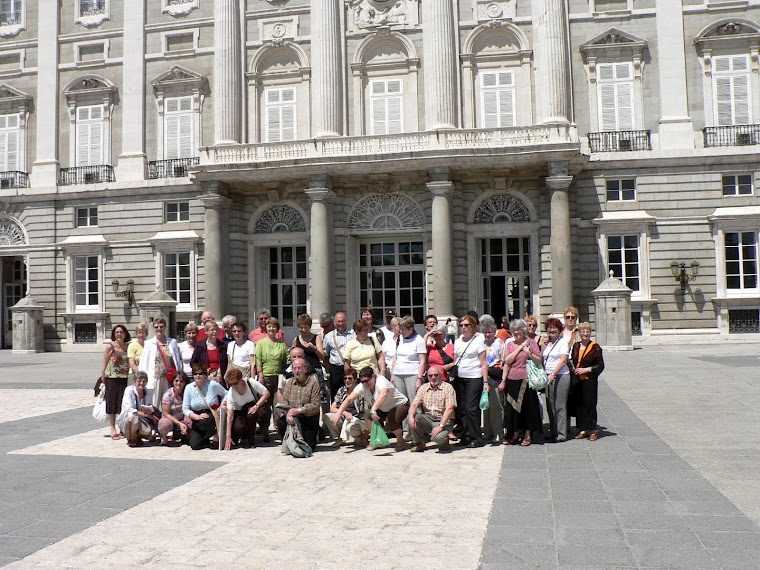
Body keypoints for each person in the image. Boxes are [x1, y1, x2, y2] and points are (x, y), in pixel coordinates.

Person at [334, 367, 409, 451]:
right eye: (362, 381)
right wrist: (339, 412)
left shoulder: (381, 381)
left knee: (390, 421)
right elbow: (349, 399)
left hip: (399, 405)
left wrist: (374, 409)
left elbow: (383, 394)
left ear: (373, 376)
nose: (365, 384)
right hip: (383, 408)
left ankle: (400, 439)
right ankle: (376, 440)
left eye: (366, 380)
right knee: (368, 414)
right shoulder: (362, 386)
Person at [445, 314, 489, 448]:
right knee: (462, 409)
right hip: (460, 377)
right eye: (461, 325)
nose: (463, 328)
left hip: (474, 377)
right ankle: (466, 436)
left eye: (467, 325)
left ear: (473, 327)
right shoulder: (458, 341)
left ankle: (477, 438)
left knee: (471, 408)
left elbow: (483, 363)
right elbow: (456, 359)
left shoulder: (479, 340)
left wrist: (485, 382)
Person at [499, 319, 543, 447]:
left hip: (527, 380)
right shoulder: (510, 345)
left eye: (519, 329)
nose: (516, 332)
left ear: (523, 331)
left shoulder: (532, 342)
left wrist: (529, 352)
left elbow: (539, 360)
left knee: (527, 408)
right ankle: (515, 433)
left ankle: (528, 435)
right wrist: (519, 349)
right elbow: (507, 361)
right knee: (513, 409)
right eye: (514, 330)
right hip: (512, 380)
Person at [254, 316, 291, 439]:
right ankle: (264, 430)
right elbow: (258, 359)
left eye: (273, 326)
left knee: (278, 404)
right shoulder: (261, 343)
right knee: (264, 405)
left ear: (277, 329)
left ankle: (279, 429)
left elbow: (287, 360)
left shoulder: (281, 344)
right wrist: (260, 374)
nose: (271, 328)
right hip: (265, 377)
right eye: (269, 326)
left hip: (279, 377)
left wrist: (286, 374)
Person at [390, 315, 427, 434]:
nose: (401, 331)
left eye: (403, 329)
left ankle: (418, 430)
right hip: (399, 373)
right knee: (402, 403)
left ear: (410, 328)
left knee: (414, 402)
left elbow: (422, 361)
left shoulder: (419, 340)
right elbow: (396, 357)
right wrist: (392, 375)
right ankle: (406, 431)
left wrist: (419, 378)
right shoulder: (399, 339)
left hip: (412, 373)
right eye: (400, 329)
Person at [277, 357, 321, 452]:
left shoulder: (313, 383)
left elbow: (316, 404)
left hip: (308, 416)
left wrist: (299, 410)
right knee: (280, 422)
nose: (297, 371)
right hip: (293, 416)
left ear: (306, 369)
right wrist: (287, 414)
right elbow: (285, 401)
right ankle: (290, 442)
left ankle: (318, 433)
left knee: (309, 447)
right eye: (295, 368)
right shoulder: (289, 383)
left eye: (299, 368)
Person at [408, 366, 457, 452]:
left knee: (438, 438)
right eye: (430, 375)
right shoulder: (423, 388)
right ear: (427, 377)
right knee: (415, 418)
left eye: (436, 375)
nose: (433, 377)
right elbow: (414, 404)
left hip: (443, 420)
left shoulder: (448, 387)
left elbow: (450, 408)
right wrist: (411, 417)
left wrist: (441, 426)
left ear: (440, 376)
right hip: (429, 419)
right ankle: (420, 444)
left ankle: (444, 444)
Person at [570, 322, 605, 441]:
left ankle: (593, 430)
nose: (585, 334)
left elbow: (600, 365)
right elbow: (572, 360)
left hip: (589, 380)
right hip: (577, 380)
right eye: (583, 331)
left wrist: (586, 369)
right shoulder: (576, 346)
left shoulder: (595, 347)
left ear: (590, 333)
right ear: (579, 333)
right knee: (580, 404)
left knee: (590, 404)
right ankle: (583, 429)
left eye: (587, 331)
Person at [139, 318, 182, 409]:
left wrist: (179, 375)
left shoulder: (172, 342)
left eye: (161, 326)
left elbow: (177, 360)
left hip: (169, 378)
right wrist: (142, 378)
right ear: (154, 328)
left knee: (169, 403)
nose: (159, 329)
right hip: (155, 378)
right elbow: (144, 362)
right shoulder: (149, 343)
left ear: (165, 327)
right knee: (154, 404)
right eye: (156, 327)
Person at [222, 367, 270, 450]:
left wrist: (256, 406)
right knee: (238, 427)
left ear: (241, 379)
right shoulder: (231, 392)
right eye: (231, 384)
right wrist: (228, 436)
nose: (234, 386)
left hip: (254, 407)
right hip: (240, 411)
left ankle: (254, 437)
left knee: (253, 414)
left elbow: (266, 393)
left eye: (236, 383)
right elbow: (230, 416)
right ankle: (244, 434)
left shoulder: (250, 382)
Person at [97, 324, 131, 440]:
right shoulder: (110, 347)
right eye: (117, 332)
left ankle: (122, 427)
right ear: (114, 334)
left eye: (121, 332)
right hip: (111, 378)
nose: (119, 334)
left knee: (123, 403)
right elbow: (104, 363)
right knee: (112, 403)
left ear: (125, 333)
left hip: (124, 378)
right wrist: (103, 378)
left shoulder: (128, 346)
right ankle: (113, 428)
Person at [182, 364, 227, 450]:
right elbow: (185, 408)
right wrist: (197, 417)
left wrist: (223, 403)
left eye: (200, 373)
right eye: (195, 374)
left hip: (211, 413)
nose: (198, 376)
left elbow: (226, 393)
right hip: (196, 416)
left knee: (205, 421)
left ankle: (215, 435)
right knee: (195, 445)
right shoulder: (188, 388)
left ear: (205, 375)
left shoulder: (213, 385)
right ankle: (205, 437)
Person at [543, 317, 571, 442]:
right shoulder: (546, 343)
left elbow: (563, 360)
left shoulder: (563, 342)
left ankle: (561, 434)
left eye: (554, 328)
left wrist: (553, 373)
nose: (552, 330)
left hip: (560, 376)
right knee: (550, 405)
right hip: (548, 376)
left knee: (560, 405)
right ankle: (553, 431)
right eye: (550, 327)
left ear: (559, 330)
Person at [323, 368, 367, 447]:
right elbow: (332, 408)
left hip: (357, 420)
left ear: (355, 379)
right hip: (344, 418)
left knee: (349, 428)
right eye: (345, 378)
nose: (347, 380)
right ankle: (340, 438)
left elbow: (365, 411)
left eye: (350, 378)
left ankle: (359, 438)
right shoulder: (341, 390)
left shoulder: (361, 391)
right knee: (327, 417)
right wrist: (344, 413)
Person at [319, 311, 356, 400]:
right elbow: (326, 354)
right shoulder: (329, 336)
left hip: (350, 367)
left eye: (343, 321)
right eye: (338, 321)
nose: (341, 324)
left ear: (346, 321)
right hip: (335, 369)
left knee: (351, 392)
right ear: (335, 323)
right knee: (336, 394)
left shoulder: (354, 334)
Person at [117, 371, 159, 447]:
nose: (142, 383)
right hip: (127, 419)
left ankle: (138, 437)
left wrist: (149, 412)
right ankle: (132, 439)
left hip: (143, 419)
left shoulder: (148, 392)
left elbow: (148, 407)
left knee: (149, 432)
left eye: (144, 381)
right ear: (134, 382)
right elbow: (131, 411)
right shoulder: (129, 390)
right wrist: (149, 416)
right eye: (139, 381)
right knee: (135, 418)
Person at [481, 316, 505, 444]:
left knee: (496, 408)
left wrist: (502, 380)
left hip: (495, 379)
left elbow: (504, 362)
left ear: (494, 332)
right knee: (485, 407)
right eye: (485, 332)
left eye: (490, 331)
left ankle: (498, 433)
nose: (487, 334)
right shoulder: (481, 343)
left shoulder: (500, 343)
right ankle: (487, 431)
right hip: (483, 380)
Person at [292, 313, 327, 403]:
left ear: (310, 326)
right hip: (301, 371)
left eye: (306, 327)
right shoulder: (296, 339)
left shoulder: (316, 338)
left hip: (315, 370)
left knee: (319, 395)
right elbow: (291, 356)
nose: (303, 330)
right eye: (301, 327)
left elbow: (322, 356)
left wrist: (314, 348)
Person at [157, 372, 192, 445]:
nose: (178, 383)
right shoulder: (168, 394)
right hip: (170, 418)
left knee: (191, 420)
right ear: (173, 381)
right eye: (176, 380)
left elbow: (189, 409)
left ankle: (186, 435)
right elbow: (166, 413)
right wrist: (179, 423)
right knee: (164, 424)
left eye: (181, 381)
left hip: (183, 417)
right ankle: (163, 437)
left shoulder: (187, 392)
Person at [190, 320, 228, 386]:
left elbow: (227, 363)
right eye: (212, 330)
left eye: (216, 330)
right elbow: (193, 363)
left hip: (220, 378)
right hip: (205, 378)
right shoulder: (200, 346)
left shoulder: (223, 346)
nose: (215, 332)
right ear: (206, 331)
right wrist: (202, 371)